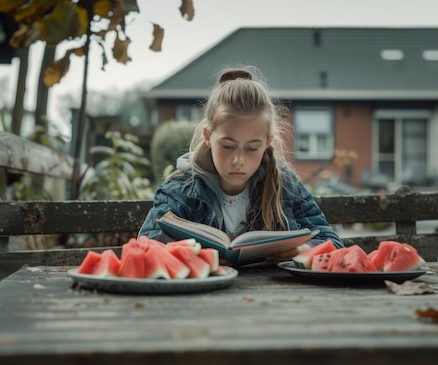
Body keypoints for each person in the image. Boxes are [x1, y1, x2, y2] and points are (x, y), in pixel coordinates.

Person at [138, 65, 345, 264]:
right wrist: (190, 255)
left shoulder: (285, 183)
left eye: (252, 148)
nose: (239, 160)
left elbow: (332, 242)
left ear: (267, 143)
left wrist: (305, 249)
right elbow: (148, 242)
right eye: (228, 146)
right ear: (208, 137)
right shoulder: (180, 189)